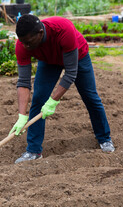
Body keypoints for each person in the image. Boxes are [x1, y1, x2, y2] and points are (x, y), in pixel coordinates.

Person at [9, 14, 115, 164]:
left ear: (40, 33)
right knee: (38, 100)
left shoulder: (63, 29)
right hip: (49, 61)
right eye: (23, 42)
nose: (26, 46)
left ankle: (104, 138)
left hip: (78, 56)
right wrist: (21, 115)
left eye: (29, 42)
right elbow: (24, 82)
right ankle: (33, 151)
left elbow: (71, 73)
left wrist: (53, 101)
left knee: (90, 97)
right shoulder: (22, 45)